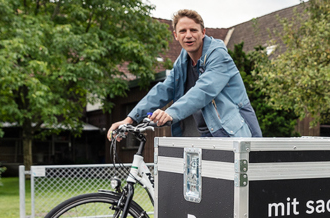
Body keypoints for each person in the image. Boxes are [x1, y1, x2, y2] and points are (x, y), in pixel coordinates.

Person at [107, 9, 262, 140]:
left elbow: (203, 90)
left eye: (193, 30)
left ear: (203, 33)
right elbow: (163, 89)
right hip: (204, 136)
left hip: (234, 134)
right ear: (176, 35)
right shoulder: (183, 62)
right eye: (183, 31)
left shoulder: (218, 56)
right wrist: (130, 119)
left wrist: (170, 113)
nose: (188, 35)